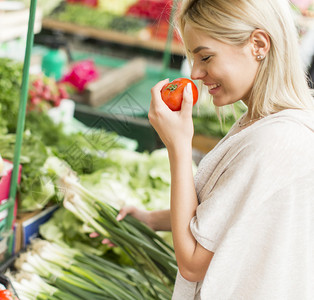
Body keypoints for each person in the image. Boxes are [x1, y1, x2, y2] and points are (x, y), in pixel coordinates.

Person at [117, 0, 314, 299]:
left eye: (206, 57)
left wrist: (179, 147)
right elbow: (229, 213)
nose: (195, 73)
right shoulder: (268, 121)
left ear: (258, 44)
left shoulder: (272, 141)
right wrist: (151, 219)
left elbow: (194, 265)